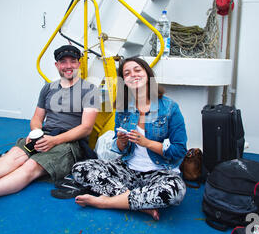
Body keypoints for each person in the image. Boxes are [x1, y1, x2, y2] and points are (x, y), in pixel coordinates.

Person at [0, 45, 99, 210]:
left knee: (30, 166)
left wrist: (54, 141)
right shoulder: (48, 88)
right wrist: (36, 133)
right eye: (63, 62)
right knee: (13, 156)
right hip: (44, 135)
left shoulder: (89, 90)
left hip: (69, 143)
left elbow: (86, 128)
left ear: (79, 64)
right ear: (56, 65)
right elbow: (36, 118)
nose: (68, 66)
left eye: (73, 61)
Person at [71, 57, 187, 221]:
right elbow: (119, 149)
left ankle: (106, 202)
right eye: (127, 73)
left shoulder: (170, 107)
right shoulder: (123, 107)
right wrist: (121, 142)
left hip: (160, 172)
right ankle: (140, 205)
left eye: (137, 70)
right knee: (80, 169)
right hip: (128, 170)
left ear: (147, 74)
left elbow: (179, 150)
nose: (133, 75)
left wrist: (147, 143)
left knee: (174, 192)